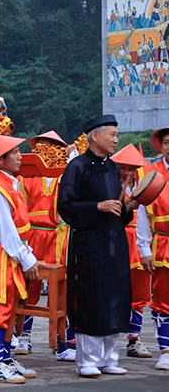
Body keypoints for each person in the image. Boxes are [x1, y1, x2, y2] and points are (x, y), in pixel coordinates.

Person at [58, 115, 134, 377]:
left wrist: (127, 208)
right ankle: (88, 359)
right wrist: (97, 207)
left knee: (114, 297)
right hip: (89, 243)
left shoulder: (113, 168)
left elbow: (118, 209)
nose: (115, 139)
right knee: (91, 297)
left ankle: (110, 358)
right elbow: (65, 206)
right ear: (95, 137)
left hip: (115, 242)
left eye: (116, 134)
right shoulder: (77, 167)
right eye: (111, 134)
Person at [0, 134, 40, 383]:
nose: (19, 156)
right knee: (0, 305)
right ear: (0, 161)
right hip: (1, 255)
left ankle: (4, 358)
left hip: (11, 254)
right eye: (14, 152)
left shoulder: (11, 185)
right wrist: (27, 258)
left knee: (10, 307)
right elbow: (7, 232)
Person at [18, 131, 77, 361]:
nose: (46, 150)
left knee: (59, 293)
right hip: (34, 236)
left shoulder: (65, 177)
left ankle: (60, 341)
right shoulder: (29, 177)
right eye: (42, 146)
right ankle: (24, 336)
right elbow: (21, 208)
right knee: (29, 289)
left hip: (57, 237)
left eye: (51, 146)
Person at [110, 144, 153, 359]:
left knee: (139, 293)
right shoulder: (109, 186)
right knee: (111, 290)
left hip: (139, 242)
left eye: (132, 168)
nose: (127, 172)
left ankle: (134, 339)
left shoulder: (146, 187)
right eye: (123, 167)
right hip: (116, 241)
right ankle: (107, 341)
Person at [136, 126, 169, 370]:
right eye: (167, 142)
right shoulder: (149, 174)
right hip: (162, 242)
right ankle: (166, 350)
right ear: (161, 146)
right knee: (162, 299)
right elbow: (142, 216)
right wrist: (144, 250)